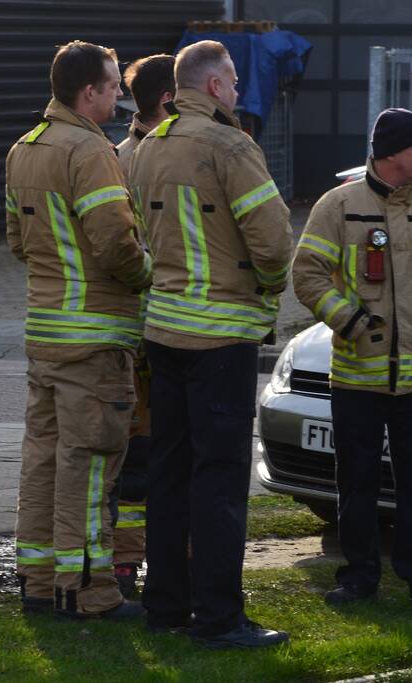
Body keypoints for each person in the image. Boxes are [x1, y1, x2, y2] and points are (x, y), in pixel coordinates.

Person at [128, 40, 293, 648]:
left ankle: (165, 607)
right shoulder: (231, 145)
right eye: (234, 79)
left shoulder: (148, 146)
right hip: (221, 335)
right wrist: (270, 290)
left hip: (163, 333)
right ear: (216, 86)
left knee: (169, 474)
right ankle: (220, 619)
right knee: (219, 480)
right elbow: (274, 242)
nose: (240, 90)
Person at [291, 108, 412, 609]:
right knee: (356, 486)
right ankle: (358, 579)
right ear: (391, 152)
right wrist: (348, 321)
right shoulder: (338, 206)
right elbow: (307, 274)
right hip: (356, 380)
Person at [4, 40, 152, 619]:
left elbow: (18, 242)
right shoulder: (90, 151)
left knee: (42, 459)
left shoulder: (25, 148)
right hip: (96, 340)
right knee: (89, 466)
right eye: (114, 85)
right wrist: (148, 278)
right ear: (88, 91)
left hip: (45, 335)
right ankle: (89, 593)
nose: (119, 95)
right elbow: (115, 241)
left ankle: (39, 584)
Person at [110, 53, 175, 599]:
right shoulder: (165, 157)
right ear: (169, 100)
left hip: (142, 327)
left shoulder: (117, 156)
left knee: (142, 452)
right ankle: (135, 561)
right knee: (149, 451)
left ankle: (129, 562)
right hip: (158, 330)